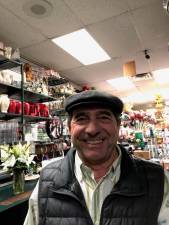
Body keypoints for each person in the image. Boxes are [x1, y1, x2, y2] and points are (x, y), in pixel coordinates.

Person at [24, 90, 169, 225]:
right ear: (69, 128)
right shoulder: (46, 182)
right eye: (81, 119)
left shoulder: (158, 180)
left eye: (104, 117)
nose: (92, 129)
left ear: (118, 126)